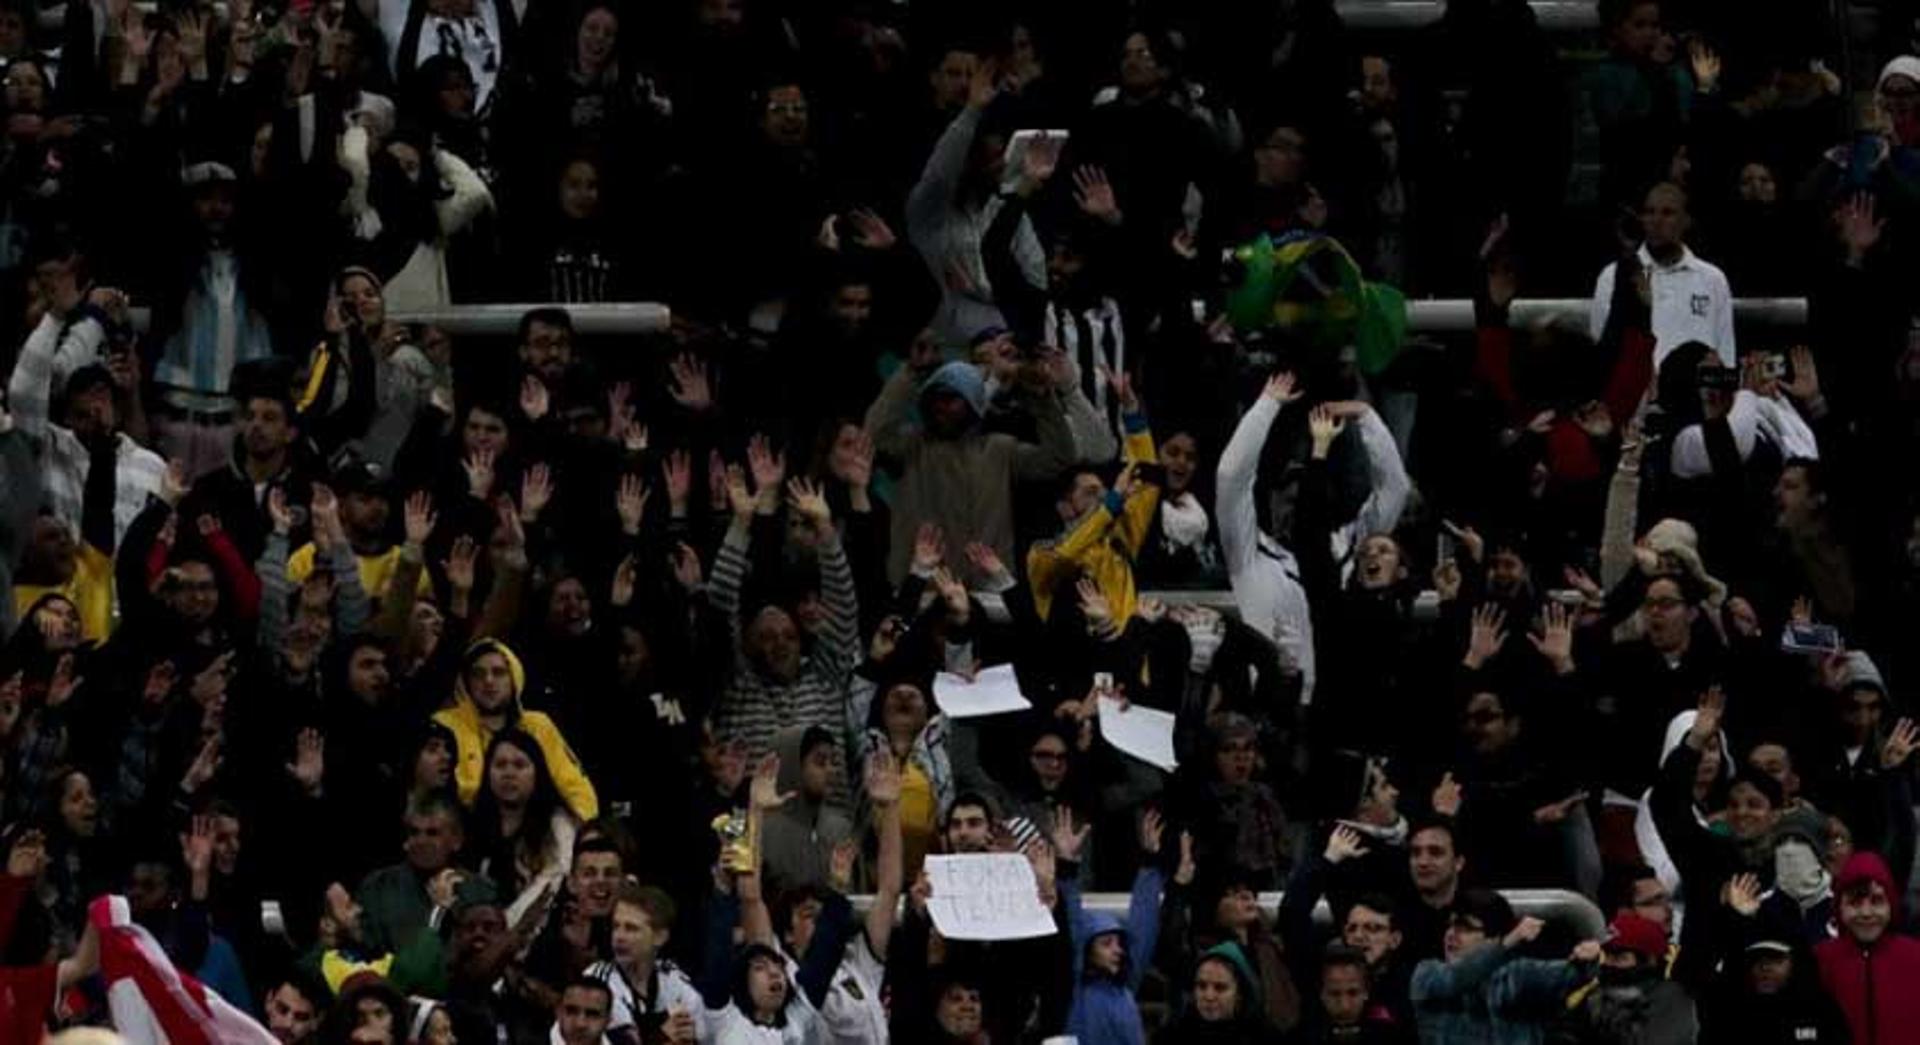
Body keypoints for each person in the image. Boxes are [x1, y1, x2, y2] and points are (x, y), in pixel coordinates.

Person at [1589, 183, 1736, 370]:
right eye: (1649, 212)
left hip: (1694, 396)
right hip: (1633, 395)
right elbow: (1602, 348)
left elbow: (1725, 354)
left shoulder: (1713, 279)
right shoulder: (1614, 276)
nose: (1656, 221)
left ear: (1686, 220)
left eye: (1667, 213)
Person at [1813, 851, 1920, 1045]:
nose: (1866, 912)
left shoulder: (1915, 958)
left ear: (1891, 905)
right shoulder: (1820, 960)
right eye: (1854, 902)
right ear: (1839, 907)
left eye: (1877, 901)